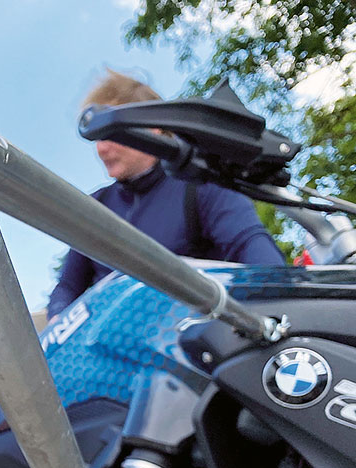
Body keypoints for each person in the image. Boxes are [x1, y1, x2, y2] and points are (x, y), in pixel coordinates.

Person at [47, 69, 284, 319]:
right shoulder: (94, 207)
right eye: (96, 139)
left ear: (152, 126)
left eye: (109, 134)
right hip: (111, 346)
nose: (102, 149)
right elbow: (67, 287)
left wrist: (279, 309)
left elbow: (252, 247)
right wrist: (56, 322)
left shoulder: (199, 183)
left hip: (191, 339)